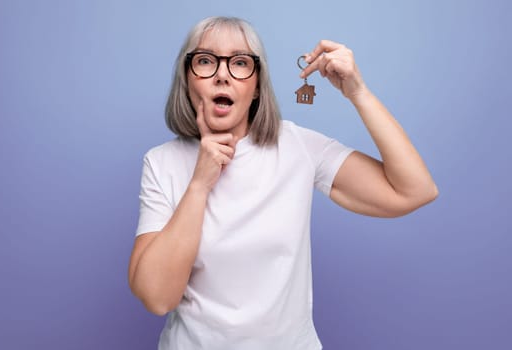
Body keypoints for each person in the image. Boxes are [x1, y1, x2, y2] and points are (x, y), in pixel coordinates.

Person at [128, 16, 438, 350]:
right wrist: (199, 185)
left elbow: (414, 190)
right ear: (187, 79)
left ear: (257, 86)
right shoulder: (161, 163)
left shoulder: (297, 146)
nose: (222, 75)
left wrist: (357, 92)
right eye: (205, 61)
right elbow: (158, 298)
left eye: (240, 63)